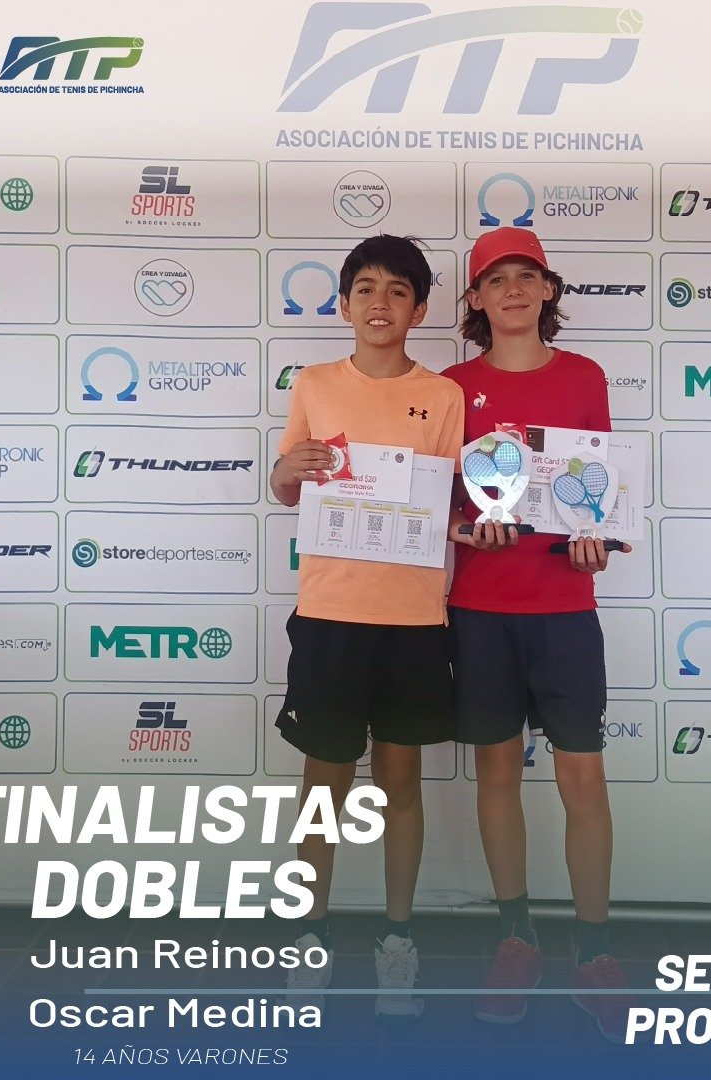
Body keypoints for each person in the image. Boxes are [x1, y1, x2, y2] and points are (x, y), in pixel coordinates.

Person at [443, 227, 633, 1042]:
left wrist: (599, 541)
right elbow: (438, 501)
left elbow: (600, 493)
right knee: (496, 775)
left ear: (549, 290)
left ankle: (595, 952)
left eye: (527, 276)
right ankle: (515, 939)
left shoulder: (584, 376)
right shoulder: (452, 387)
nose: (514, 290)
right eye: (497, 279)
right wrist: (464, 529)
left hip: (564, 610)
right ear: (476, 299)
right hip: (482, 610)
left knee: (583, 781)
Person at [269, 235, 464, 1021]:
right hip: (330, 617)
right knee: (324, 786)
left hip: (413, 618)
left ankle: (397, 937)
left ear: (420, 309)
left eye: (397, 291)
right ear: (345, 303)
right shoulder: (314, 383)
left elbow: (448, 503)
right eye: (366, 289)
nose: (380, 303)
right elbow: (286, 484)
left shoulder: (443, 395)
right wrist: (287, 471)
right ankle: (308, 936)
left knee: (400, 785)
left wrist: (473, 527)